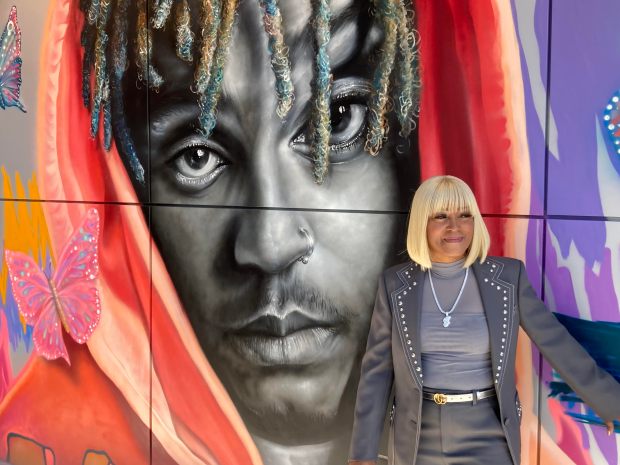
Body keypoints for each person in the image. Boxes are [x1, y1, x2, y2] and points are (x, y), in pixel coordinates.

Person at [0, 1, 536, 464]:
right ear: (121, 194)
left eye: (339, 118)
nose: (271, 243)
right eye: (197, 153)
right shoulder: (36, 443)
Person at [347, 175, 620, 465]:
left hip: (489, 432)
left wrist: (611, 403)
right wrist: (362, 454)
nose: (455, 226)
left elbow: (557, 343)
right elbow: (376, 374)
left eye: (464, 215)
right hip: (416, 435)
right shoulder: (395, 284)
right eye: (441, 216)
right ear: (421, 223)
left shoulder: (506, 278)